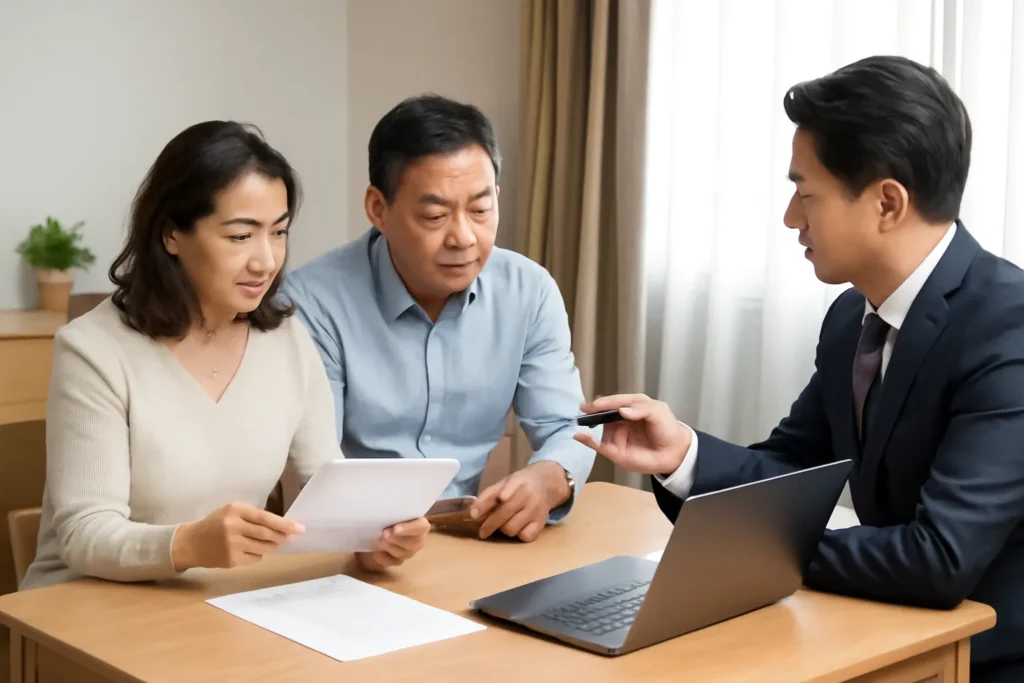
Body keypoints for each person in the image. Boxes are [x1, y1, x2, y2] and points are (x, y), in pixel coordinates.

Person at [575, 56, 1024, 681]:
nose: (791, 217)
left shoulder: (1011, 327)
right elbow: (791, 468)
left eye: (805, 192)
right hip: (888, 630)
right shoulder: (850, 318)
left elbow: (938, 558)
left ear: (887, 202)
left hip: (986, 658)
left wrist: (752, 548)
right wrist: (683, 457)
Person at [20, 121, 429, 591]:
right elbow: (82, 535)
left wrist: (370, 538)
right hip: (81, 610)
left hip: (215, 604)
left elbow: (326, 487)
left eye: (278, 232)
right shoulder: (93, 351)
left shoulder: (287, 340)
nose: (266, 260)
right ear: (172, 233)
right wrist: (189, 545)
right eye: (240, 237)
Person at [279, 94, 595, 543]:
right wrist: (368, 536)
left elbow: (567, 426)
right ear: (377, 209)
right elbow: (316, 466)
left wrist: (549, 477)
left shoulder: (529, 291)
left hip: (471, 541)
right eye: (435, 215)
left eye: (481, 210)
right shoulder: (313, 302)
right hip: (349, 547)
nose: (464, 237)